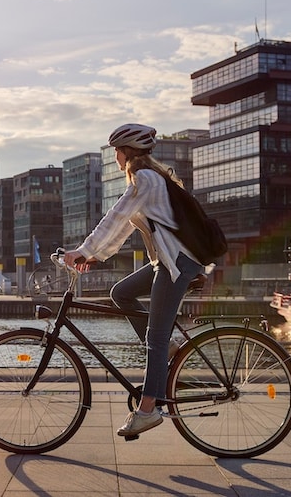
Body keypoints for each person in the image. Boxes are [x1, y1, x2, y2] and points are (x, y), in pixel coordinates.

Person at [64, 123, 206, 438]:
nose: (114, 155)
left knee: (153, 340)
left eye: (116, 150)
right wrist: (93, 256)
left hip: (177, 264)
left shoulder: (145, 179)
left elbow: (113, 217)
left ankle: (148, 409)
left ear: (126, 152)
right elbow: (124, 227)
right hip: (168, 261)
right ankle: (167, 347)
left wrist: (82, 250)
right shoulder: (151, 179)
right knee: (122, 292)